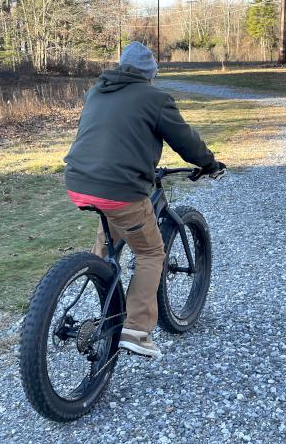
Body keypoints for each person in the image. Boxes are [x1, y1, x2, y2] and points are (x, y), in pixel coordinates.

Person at [64, 41, 224, 358]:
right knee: (152, 253)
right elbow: (185, 140)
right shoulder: (155, 98)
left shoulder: (97, 91)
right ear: (150, 73)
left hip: (78, 181)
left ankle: (99, 279)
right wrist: (208, 163)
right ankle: (135, 330)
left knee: (113, 228)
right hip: (122, 189)